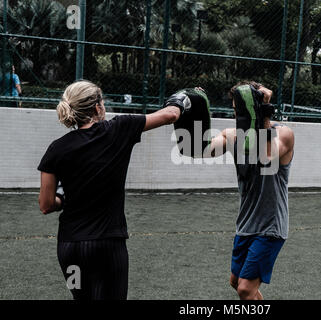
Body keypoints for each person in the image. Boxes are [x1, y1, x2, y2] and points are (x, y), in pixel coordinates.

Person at [37, 80, 191, 300]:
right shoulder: (118, 128)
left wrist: (62, 197)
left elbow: (46, 205)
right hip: (107, 246)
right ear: (97, 107)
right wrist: (184, 96)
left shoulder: (56, 148)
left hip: (69, 249)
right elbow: (171, 115)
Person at [206, 81, 295, 300]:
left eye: (243, 111)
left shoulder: (283, 134)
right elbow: (202, 150)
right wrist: (186, 115)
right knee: (236, 283)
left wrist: (264, 113)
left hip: (270, 225)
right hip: (246, 223)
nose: (238, 117)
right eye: (236, 111)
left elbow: (266, 155)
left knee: (246, 289)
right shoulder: (233, 136)